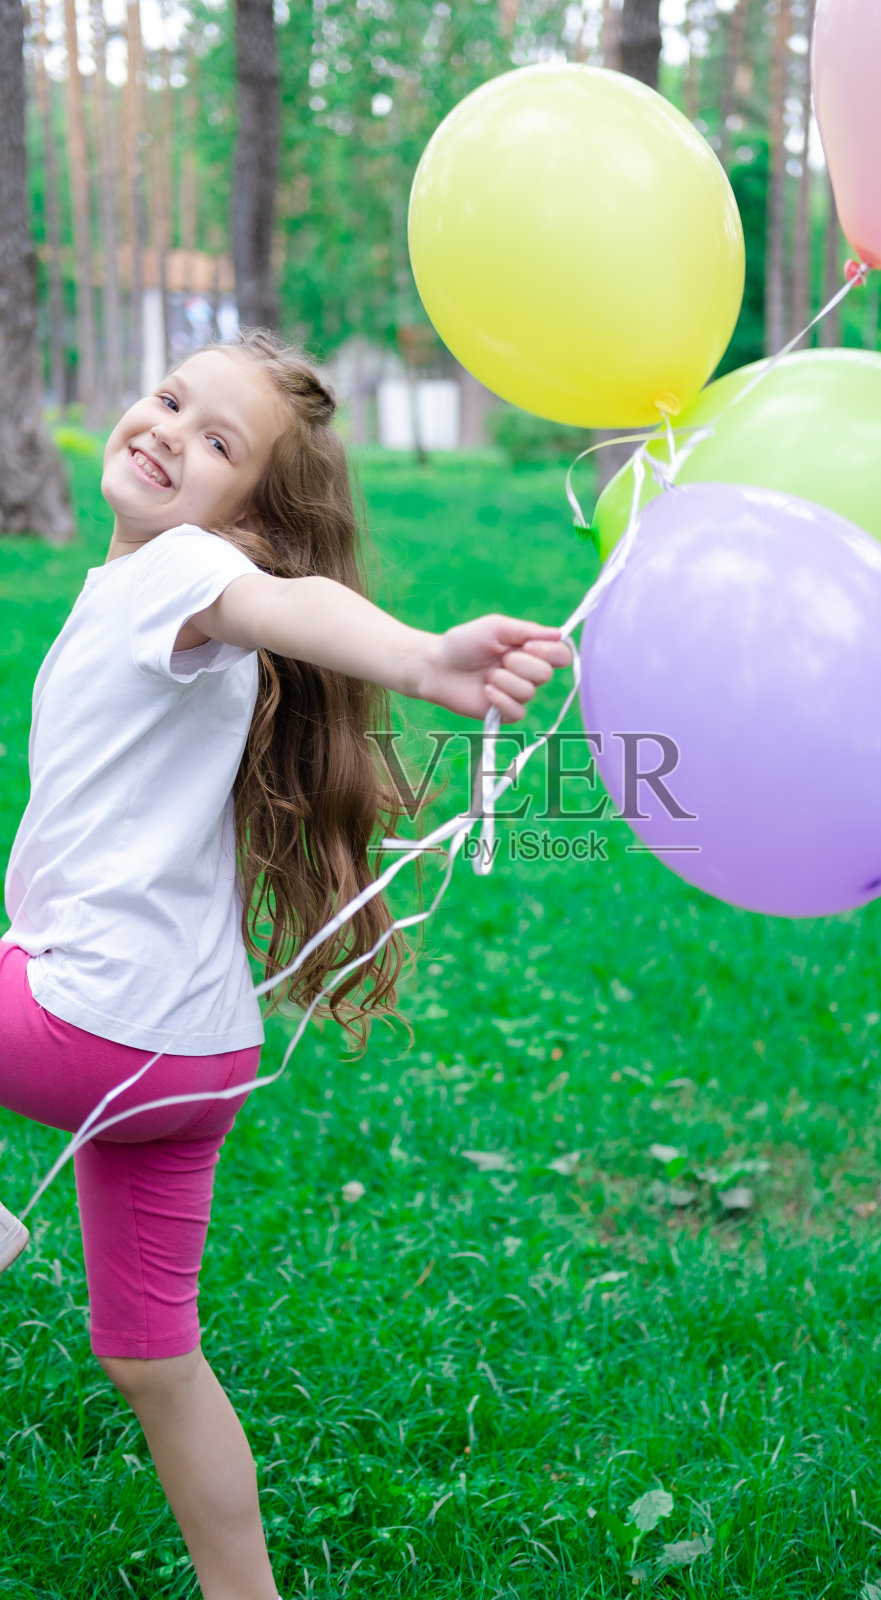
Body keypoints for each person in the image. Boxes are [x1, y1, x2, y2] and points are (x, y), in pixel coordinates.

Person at [0, 326, 571, 1599]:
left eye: (217, 445)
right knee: (153, 1358)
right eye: (168, 400)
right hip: (192, 1054)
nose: (166, 433)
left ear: (244, 521)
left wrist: (424, 659)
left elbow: (287, 604)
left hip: (97, 1019)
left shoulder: (183, 574)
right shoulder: (157, 596)